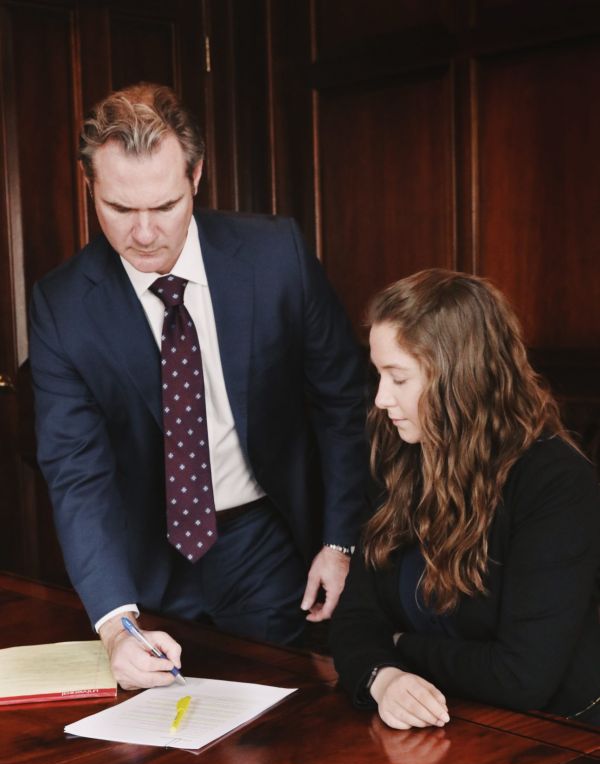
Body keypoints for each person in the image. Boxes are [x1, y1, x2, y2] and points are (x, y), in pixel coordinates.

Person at [29, 83, 367, 690]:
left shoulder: (275, 255)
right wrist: (113, 622)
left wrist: (340, 541)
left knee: (281, 727)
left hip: (263, 540)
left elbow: (342, 402)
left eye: (163, 205)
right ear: (89, 188)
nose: (143, 233)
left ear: (198, 175)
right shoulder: (62, 306)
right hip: (143, 559)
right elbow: (76, 469)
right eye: (119, 209)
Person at [331, 268, 600, 729]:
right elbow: (355, 618)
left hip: (555, 734)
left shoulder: (556, 481)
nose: (379, 399)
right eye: (378, 375)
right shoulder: (401, 451)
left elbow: (522, 677)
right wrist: (384, 678)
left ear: (459, 377)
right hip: (443, 723)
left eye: (398, 378)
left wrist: (401, 646)